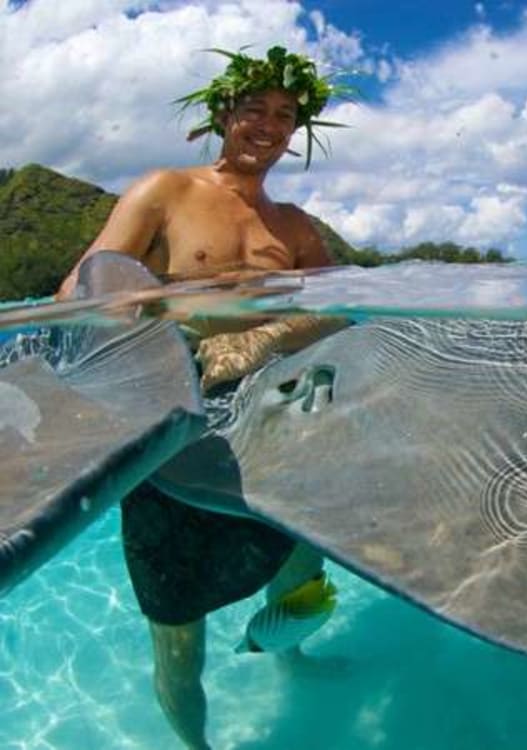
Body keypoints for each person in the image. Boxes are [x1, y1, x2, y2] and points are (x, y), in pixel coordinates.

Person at [57, 46, 351, 750]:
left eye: (284, 115)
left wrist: (259, 340)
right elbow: (80, 294)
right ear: (223, 114)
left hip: (269, 431)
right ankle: (197, 745)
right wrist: (178, 331)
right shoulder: (165, 190)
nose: (269, 125)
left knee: (301, 567)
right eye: (255, 109)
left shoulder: (296, 227)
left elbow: (340, 307)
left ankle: (296, 659)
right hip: (175, 435)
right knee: (177, 632)